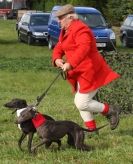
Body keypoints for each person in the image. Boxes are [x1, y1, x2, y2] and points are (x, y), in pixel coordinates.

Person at [52, 4, 121, 132]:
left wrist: (70, 63)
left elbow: (83, 49)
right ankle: (92, 130)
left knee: (81, 102)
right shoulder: (66, 30)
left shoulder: (81, 30)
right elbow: (59, 47)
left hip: (91, 71)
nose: (58, 20)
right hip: (80, 72)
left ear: (70, 17)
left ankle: (111, 110)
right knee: (81, 102)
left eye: (61, 18)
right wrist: (57, 58)